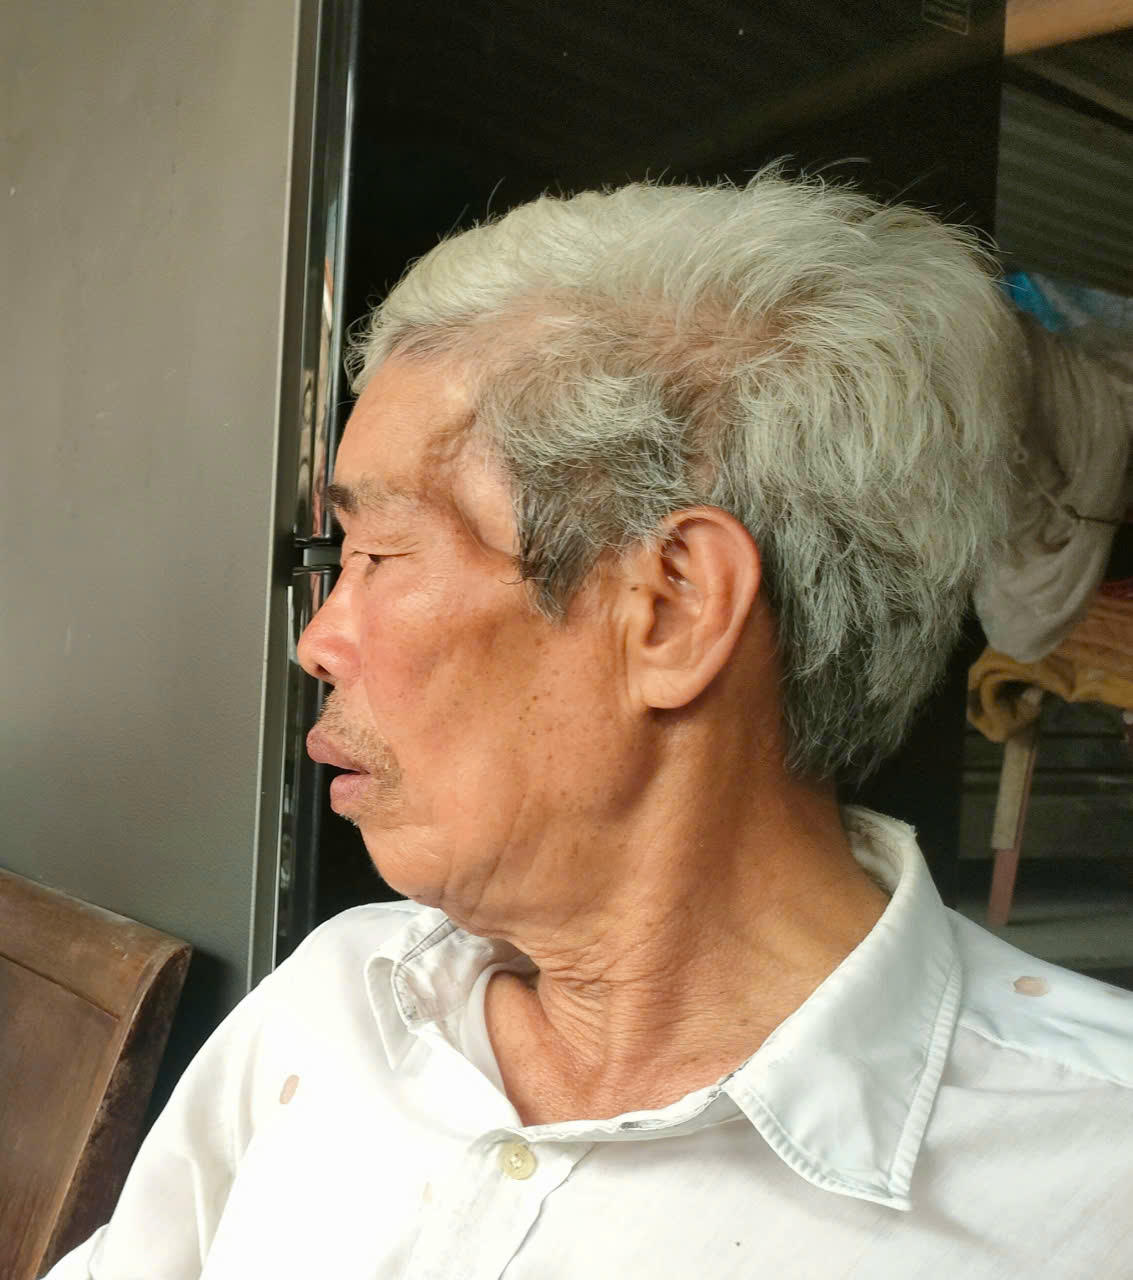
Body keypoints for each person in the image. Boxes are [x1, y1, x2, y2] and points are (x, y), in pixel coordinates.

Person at [48, 172, 1132, 1279]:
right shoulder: (342, 999)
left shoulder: (1092, 1180)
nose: (318, 641)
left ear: (670, 609)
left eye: (378, 552)